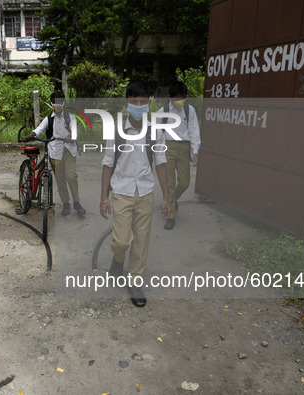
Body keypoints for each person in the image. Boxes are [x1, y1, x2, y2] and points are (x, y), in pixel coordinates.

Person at [100, 80, 171, 308]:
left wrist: (167, 197)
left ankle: (135, 281)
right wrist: (104, 198)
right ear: (125, 103)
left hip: (146, 192)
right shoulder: (117, 131)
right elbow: (108, 164)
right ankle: (118, 259)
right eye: (134, 102)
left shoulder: (155, 132)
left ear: (149, 103)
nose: (139, 106)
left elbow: (160, 163)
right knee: (121, 241)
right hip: (121, 192)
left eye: (143, 102)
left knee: (141, 240)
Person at [23, 91, 86, 217]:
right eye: (55, 102)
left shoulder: (70, 117)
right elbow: (39, 129)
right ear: (51, 103)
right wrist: (28, 136)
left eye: (60, 102)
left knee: (71, 176)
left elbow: (75, 132)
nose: (58, 105)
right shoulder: (49, 119)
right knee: (60, 179)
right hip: (54, 150)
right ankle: (66, 203)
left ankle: (77, 202)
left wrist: (71, 137)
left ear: (64, 103)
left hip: (69, 150)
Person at [159, 81, 201, 230]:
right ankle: (171, 216)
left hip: (184, 148)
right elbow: (156, 133)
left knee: (184, 182)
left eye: (182, 97)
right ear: (170, 97)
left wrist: (195, 151)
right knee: (169, 183)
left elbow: (194, 131)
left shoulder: (189, 111)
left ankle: (170, 200)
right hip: (168, 148)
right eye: (177, 98)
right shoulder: (162, 111)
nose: (179, 101)